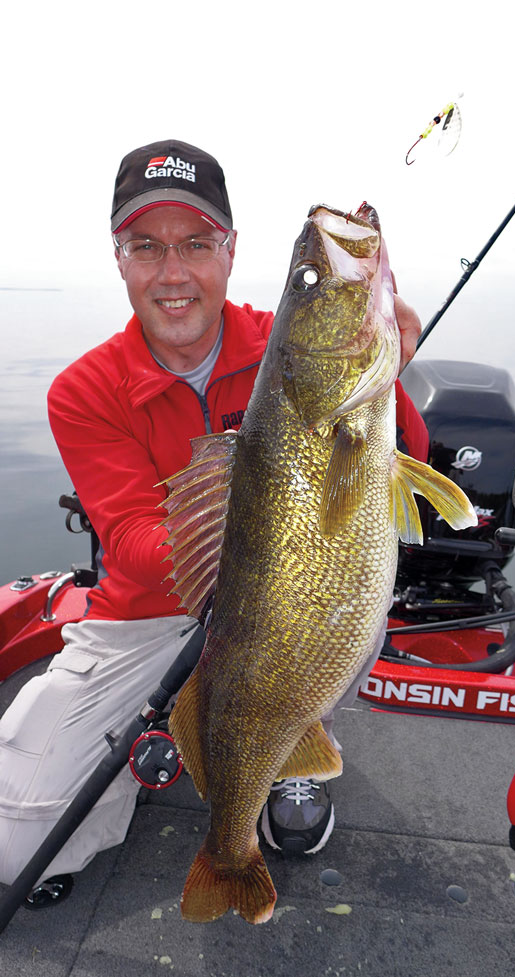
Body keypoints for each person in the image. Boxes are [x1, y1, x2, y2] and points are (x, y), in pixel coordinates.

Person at [0, 140, 427, 906]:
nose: (173, 272)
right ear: (120, 258)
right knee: (10, 845)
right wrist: (246, 546)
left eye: (197, 244)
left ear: (230, 252)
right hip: (144, 615)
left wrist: (395, 377)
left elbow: (404, 472)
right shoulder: (82, 389)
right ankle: (162, 763)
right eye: (148, 246)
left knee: (336, 609)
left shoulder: (281, 344)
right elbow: (129, 542)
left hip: (295, 614)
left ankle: (292, 753)